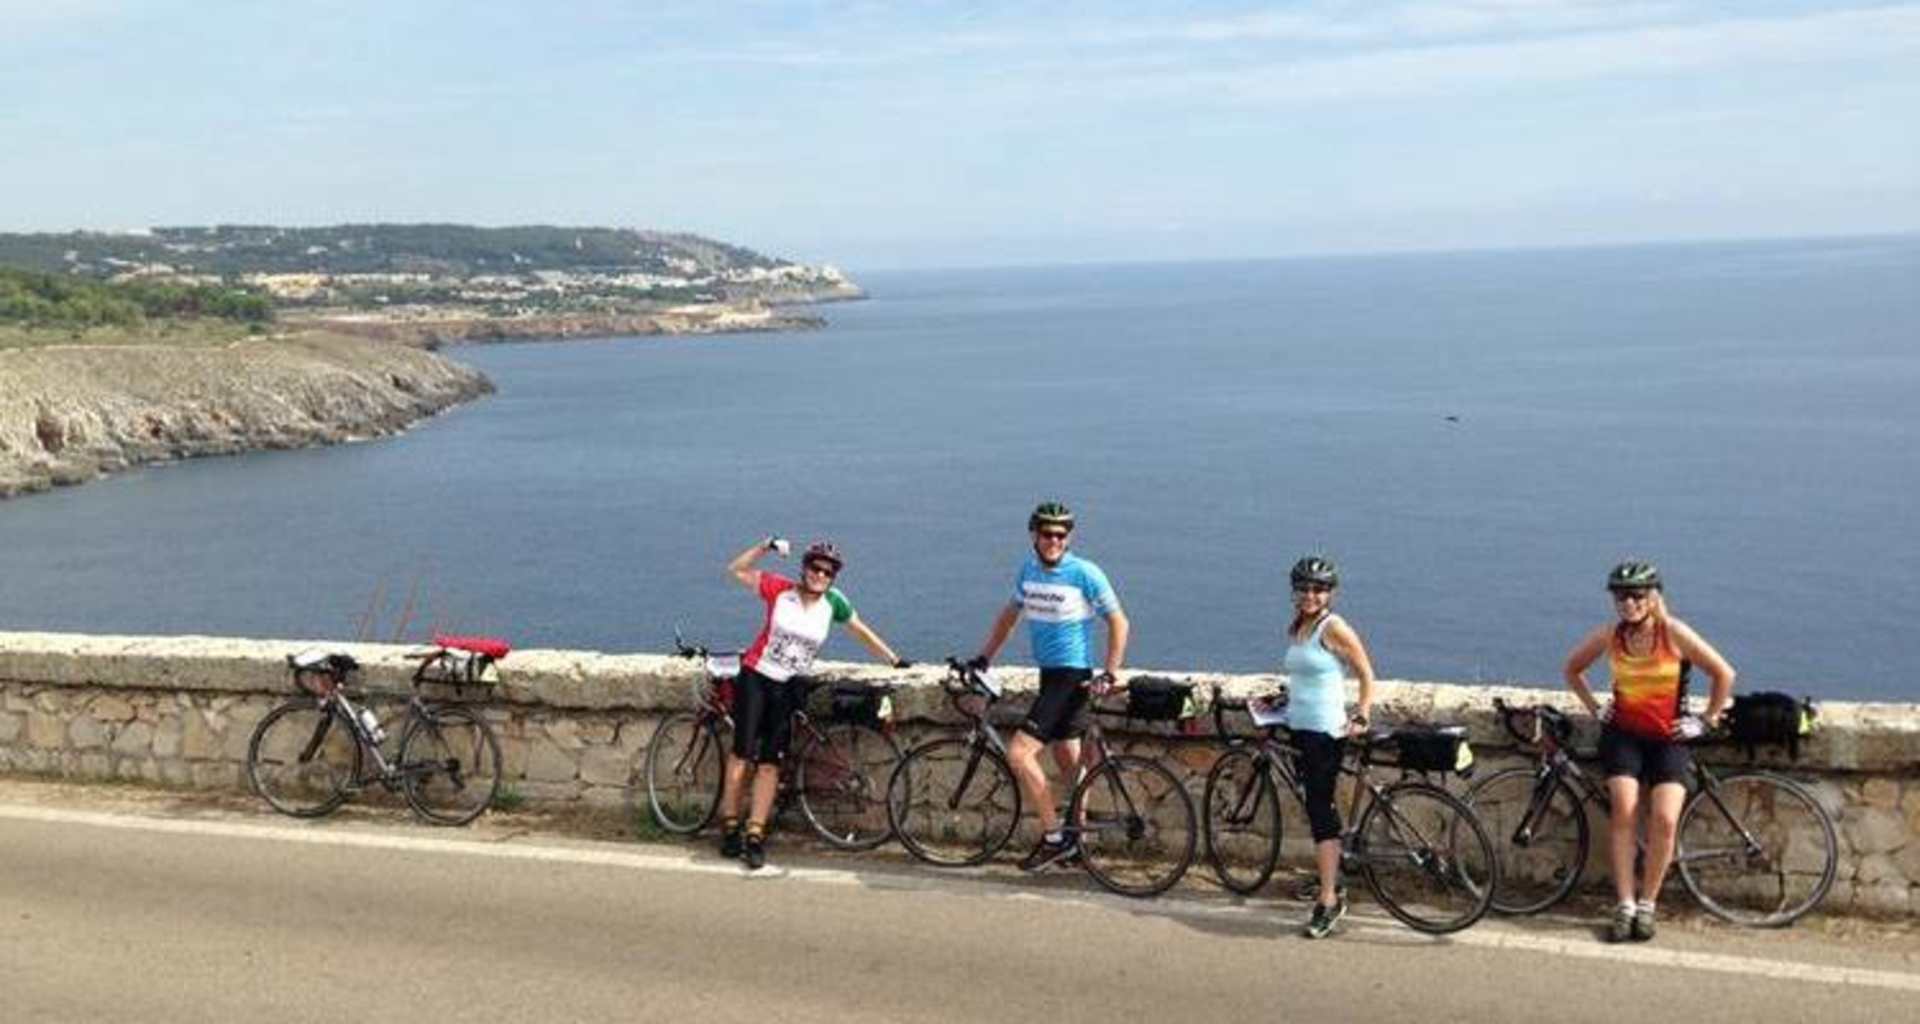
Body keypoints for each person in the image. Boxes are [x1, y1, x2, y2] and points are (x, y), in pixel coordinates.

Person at [1564, 560, 1735, 942]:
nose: (1628, 603)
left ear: (1653, 597)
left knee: (1665, 820)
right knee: (1623, 813)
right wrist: (1595, 708)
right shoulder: (1611, 635)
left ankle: (1648, 904)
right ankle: (1624, 903)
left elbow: (1724, 674)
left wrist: (1705, 720)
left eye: (1637, 595)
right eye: (1620, 596)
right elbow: (1573, 669)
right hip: (1623, 735)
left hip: (1668, 738)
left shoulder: (1674, 634)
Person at [717, 536, 909, 871]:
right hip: (756, 677)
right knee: (742, 754)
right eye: (815, 568)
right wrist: (766, 546)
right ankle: (730, 824)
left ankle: (755, 834)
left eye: (828, 571)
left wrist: (894, 659)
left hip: (788, 687)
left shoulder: (834, 603)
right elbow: (736, 570)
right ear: (804, 568)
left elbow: (860, 631)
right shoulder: (780, 590)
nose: (820, 575)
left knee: (769, 762)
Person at [969, 502, 1130, 872]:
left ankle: (1054, 838)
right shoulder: (1028, 571)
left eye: (1061, 534)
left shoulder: (1085, 573)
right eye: (1047, 533)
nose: (1054, 540)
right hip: (1050, 675)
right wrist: (984, 657)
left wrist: (1111, 671)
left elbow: (1119, 621)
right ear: (1034, 536)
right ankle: (1078, 841)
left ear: (1069, 538)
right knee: (1068, 760)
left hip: (1071, 678)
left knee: (1020, 755)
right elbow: (1010, 617)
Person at [1281, 555, 1377, 939]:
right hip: (1299, 727)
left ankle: (1328, 901)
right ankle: (1328, 877)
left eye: (1318, 589)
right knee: (1315, 807)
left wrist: (1363, 713)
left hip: (1325, 732)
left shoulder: (1333, 627)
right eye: (1304, 588)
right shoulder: (1300, 627)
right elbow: (1307, 675)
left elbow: (1366, 672)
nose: (1310, 594)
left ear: (1330, 594)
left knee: (1322, 813)